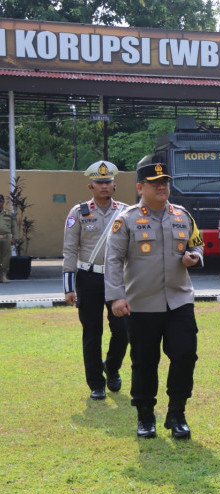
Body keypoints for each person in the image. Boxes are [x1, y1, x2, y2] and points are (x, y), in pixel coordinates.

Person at [105, 162, 204, 439]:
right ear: (140, 187)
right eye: (155, 182)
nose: (162, 187)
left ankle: (177, 413)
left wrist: (194, 256)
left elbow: (196, 244)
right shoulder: (126, 219)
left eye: (165, 182)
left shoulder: (182, 215)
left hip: (179, 300)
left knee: (185, 355)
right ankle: (145, 416)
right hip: (142, 303)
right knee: (144, 361)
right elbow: (113, 260)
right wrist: (116, 296)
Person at [62, 161, 129, 400]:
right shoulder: (78, 212)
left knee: (122, 331)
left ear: (114, 185)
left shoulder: (125, 211)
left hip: (116, 279)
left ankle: (111, 368)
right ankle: (96, 384)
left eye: (108, 181)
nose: (104, 186)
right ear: (91, 186)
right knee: (92, 331)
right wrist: (69, 287)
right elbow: (70, 249)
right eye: (99, 182)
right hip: (88, 278)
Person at [0, 193, 20, 283]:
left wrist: (15, 238)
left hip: (6, 238)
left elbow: (14, 226)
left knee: (5, 258)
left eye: (0, 201)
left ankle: (3, 275)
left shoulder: (8, 214)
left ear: (3, 202)